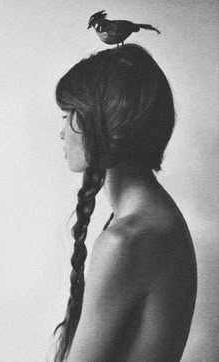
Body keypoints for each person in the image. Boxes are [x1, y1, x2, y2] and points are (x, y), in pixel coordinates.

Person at [53, 43, 197, 362]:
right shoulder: (160, 217)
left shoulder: (125, 242)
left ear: (100, 122)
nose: (61, 133)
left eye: (67, 116)